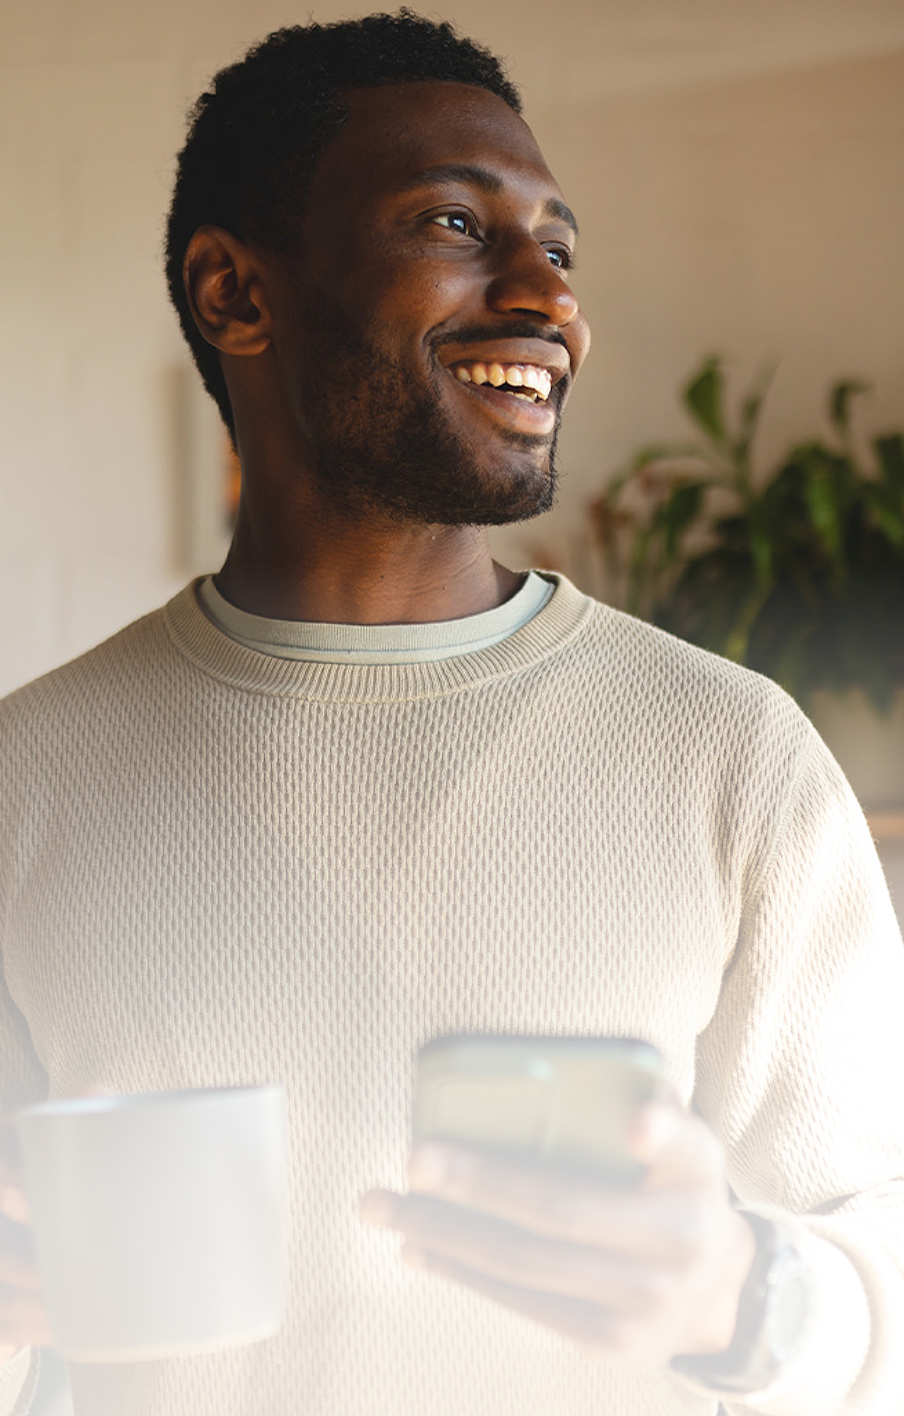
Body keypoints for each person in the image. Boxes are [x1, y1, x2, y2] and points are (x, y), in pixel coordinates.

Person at [1, 11, 903, 1415]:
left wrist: (744, 1297)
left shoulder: (736, 760)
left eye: (557, 247)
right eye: (452, 224)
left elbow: (878, 1244)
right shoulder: (24, 782)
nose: (548, 298)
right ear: (237, 294)